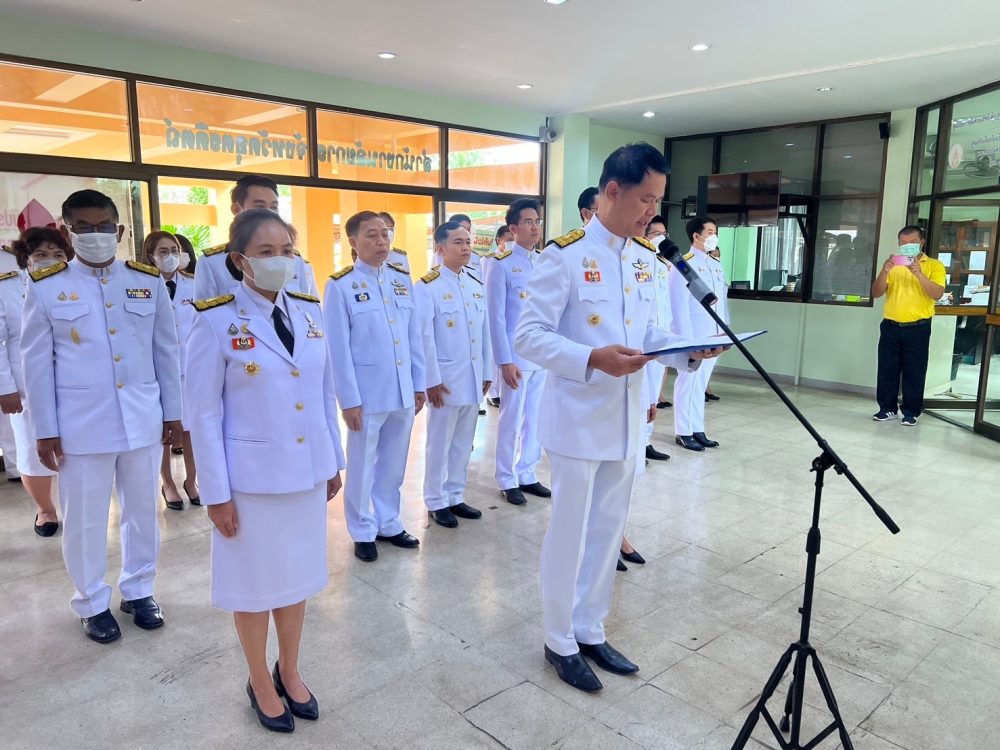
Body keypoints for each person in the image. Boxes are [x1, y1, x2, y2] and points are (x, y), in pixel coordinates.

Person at [514, 143, 724, 692]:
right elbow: (528, 336)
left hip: (627, 418)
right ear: (613, 191)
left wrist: (688, 352)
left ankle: (590, 626)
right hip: (578, 419)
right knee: (570, 532)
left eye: (658, 201)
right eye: (646, 200)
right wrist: (590, 358)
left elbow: (647, 333)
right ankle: (559, 639)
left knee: (608, 532)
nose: (652, 213)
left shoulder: (643, 258)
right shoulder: (563, 255)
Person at [184, 208, 344, 733]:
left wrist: (332, 461)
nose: (280, 261)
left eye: (287, 251)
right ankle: (259, 679)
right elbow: (203, 414)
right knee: (253, 587)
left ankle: (289, 669)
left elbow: (322, 393)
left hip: (305, 475)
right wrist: (216, 493)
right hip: (249, 483)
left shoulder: (309, 312)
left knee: (295, 581)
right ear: (240, 261)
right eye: (266, 252)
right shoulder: (214, 320)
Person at [21, 189, 182, 643]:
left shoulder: (147, 281)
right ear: (67, 232)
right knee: (86, 519)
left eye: (104, 227)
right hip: (80, 425)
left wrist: (173, 414)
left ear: (120, 230)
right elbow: (37, 363)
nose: (96, 235)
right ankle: (91, 601)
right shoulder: (47, 285)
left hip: (142, 419)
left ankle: (139, 589)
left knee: (142, 513)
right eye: (85, 228)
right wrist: (45, 430)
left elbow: (165, 351)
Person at [324, 211, 426, 562]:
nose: (382, 241)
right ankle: (362, 528)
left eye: (385, 234)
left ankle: (389, 522)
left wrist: (418, 383)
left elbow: (413, 336)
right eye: (372, 235)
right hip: (367, 395)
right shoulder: (341, 286)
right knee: (363, 464)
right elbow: (338, 349)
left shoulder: (401, 280)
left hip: (401, 389)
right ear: (353, 242)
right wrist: (348, 400)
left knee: (394, 463)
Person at [416, 221, 492, 528]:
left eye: (468, 242)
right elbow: (423, 337)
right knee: (440, 442)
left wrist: (487, 371)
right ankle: (436, 500)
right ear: (441, 248)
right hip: (444, 381)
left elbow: (484, 333)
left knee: (463, 441)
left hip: (472, 377)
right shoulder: (427, 287)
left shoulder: (474, 283)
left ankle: (455, 494)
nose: (465, 247)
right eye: (458, 242)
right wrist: (430, 380)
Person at [1, 227, 70, 536]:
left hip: (73, 386)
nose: (49, 259)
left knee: (75, 453)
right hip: (26, 388)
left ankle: (75, 506)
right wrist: (5, 388)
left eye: (57, 254)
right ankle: (45, 509)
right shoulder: (7, 288)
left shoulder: (78, 284)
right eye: (41, 254)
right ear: (25, 258)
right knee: (32, 452)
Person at [486, 198, 549, 506]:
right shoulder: (500, 264)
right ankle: (506, 478)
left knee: (535, 417)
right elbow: (495, 317)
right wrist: (504, 360)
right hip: (516, 356)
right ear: (513, 228)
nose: (535, 227)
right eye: (528, 222)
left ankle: (528, 472)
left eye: (537, 221)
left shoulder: (544, 262)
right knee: (511, 418)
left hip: (541, 354)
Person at [142, 230, 200, 510]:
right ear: (151, 256)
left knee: (191, 430)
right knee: (164, 431)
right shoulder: (142, 285)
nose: (170, 256)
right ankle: (168, 483)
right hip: (158, 372)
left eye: (174, 250)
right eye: (163, 251)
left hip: (190, 369)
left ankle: (192, 480)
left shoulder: (194, 284)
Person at [194, 175, 317, 299]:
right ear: (236, 209)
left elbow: (305, 306)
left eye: (274, 207)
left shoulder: (294, 260)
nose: (268, 213)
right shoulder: (211, 263)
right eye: (259, 207)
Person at [871, 226, 946, 426]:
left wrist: (919, 274)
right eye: (903, 243)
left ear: (922, 242)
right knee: (887, 369)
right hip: (890, 325)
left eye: (912, 242)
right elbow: (876, 293)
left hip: (918, 327)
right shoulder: (893, 264)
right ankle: (886, 409)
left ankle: (911, 412)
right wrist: (884, 271)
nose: (907, 246)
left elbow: (937, 294)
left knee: (914, 371)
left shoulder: (935, 265)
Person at [670, 217, 730, 452]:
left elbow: (721, 302)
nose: (714, 236)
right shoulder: (684, 265)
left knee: (701, 384)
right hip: (695, 335)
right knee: (688, 382)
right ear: (696, 236)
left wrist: (725, 332)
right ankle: (683, 431)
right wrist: (685, 341)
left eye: (715, 231)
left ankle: (697, 428)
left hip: (714, 335)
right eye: (710, 232)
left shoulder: (715, 264)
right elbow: (679, 306)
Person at [485, 225, 513, 409]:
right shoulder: (491, 261)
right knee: (494, 357)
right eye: (509, 240)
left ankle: (495, 392)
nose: (512, 243)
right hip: (492, 312)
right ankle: (492, 392)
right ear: (499, 241)